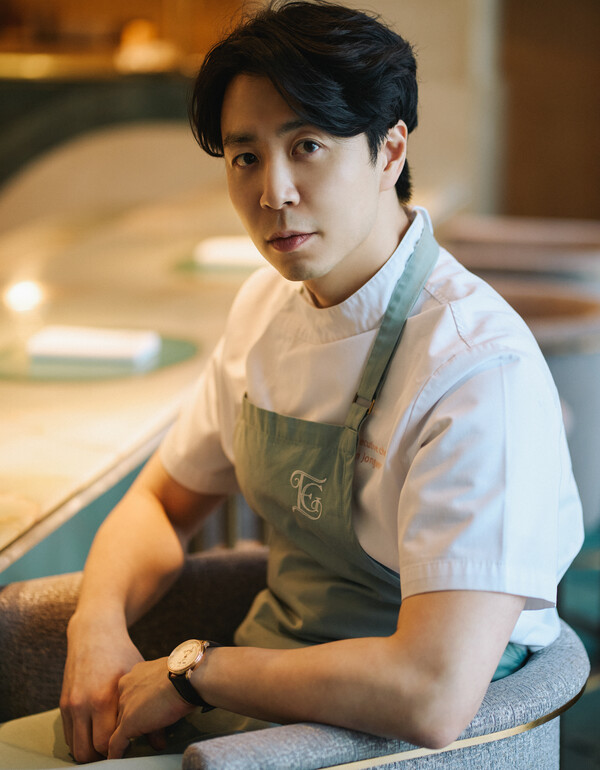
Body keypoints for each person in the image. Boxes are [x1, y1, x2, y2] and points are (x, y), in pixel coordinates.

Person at [0, 0, 584, 766]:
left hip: (369, 747)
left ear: (389, 150)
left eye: (307, 146)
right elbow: (162, 502)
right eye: (245, 157)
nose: (273, 192)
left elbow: (431, 692)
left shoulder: (476, 369)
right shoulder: (263, 310)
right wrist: (97, 623)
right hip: (247, 712)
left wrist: (194, 673)